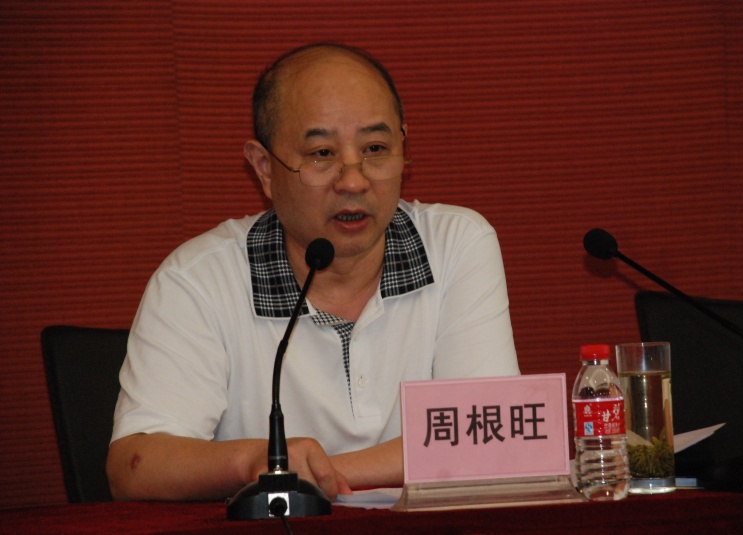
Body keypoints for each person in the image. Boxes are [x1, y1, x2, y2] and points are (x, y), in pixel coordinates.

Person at [106, 42, 520, 502]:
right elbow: (134, 470)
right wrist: (252, 460)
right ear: (264, 168)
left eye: (376, 148)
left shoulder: (456, 245)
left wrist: (295, 474)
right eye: (322, 154)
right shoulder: (199, 280)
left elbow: (492, 438)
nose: (354, 180)